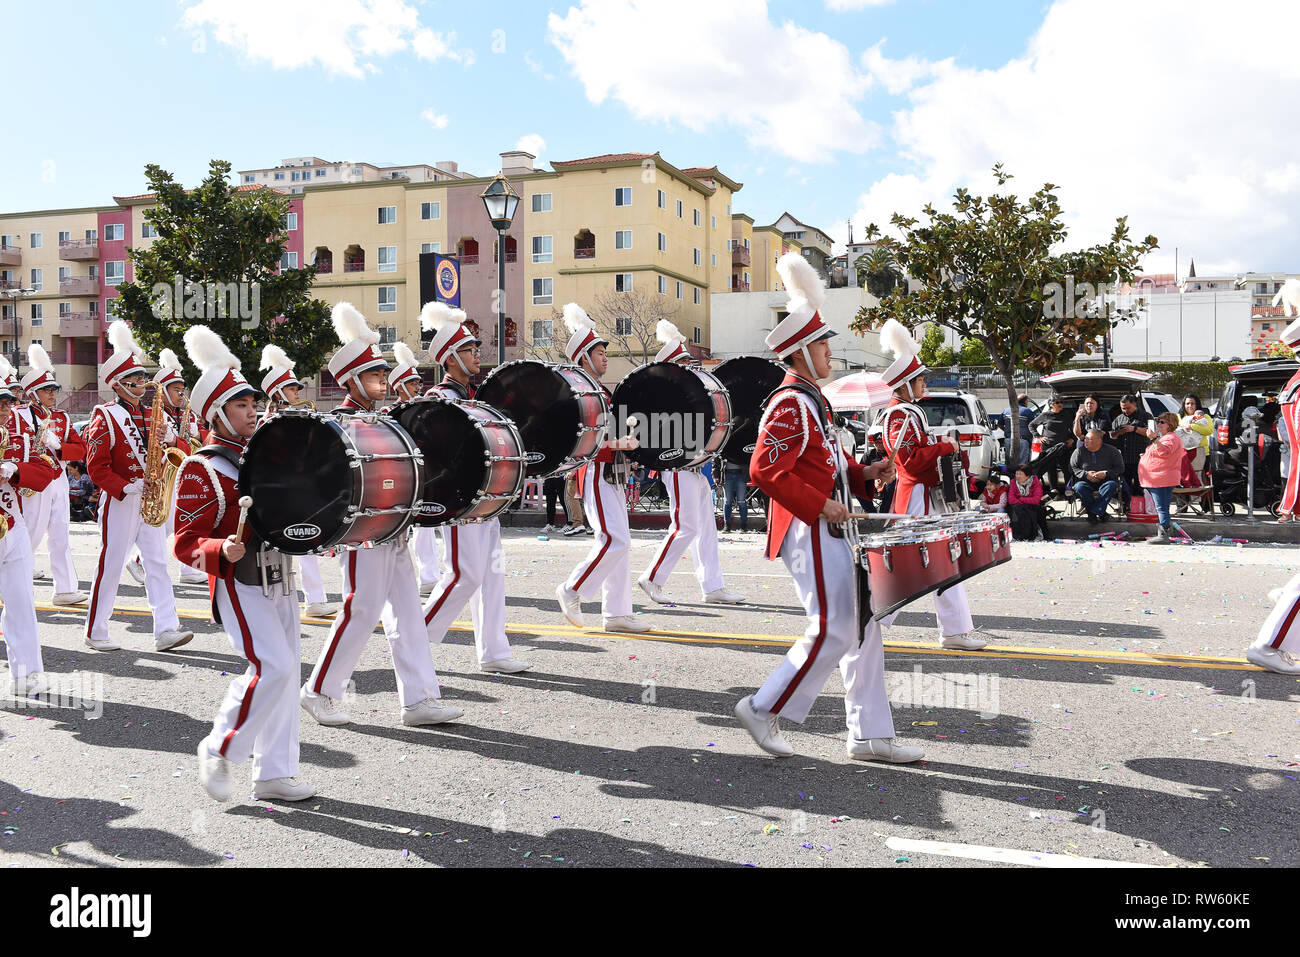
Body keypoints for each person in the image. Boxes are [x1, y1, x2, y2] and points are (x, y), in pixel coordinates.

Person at [734, 252, 920, 763]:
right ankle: (763, 706)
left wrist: (865, 474)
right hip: (809, 529)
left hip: (827, 526)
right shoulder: (791, 401)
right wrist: (823, 507)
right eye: (822, 345)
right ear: (799, 352)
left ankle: (869, 735)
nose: (830, 353)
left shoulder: (813, 400)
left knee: (863, 625)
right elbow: (764, 472)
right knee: (837, 627)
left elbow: (826, 466)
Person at [175, 326, 314, 803]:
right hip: (239, 581)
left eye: (255, 403)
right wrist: (217, 552)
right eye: (241, 405)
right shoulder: (202, 467)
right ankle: (220, 747)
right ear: (216, 412)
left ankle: (275, 772)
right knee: (271, 666)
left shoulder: (267, 456)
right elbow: (184, 543)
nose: (253, 411)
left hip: (281, 576)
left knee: (287, 671)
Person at [301, 302, 458, 728]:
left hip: (395, 526)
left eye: (382, 374)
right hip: (363, 528)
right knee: (362, 607)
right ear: (351, 380)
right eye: (374, 375)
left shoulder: (384, 419)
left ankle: (419, 699)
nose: (383, 382)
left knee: (407, 610)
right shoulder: (338, 423)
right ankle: (319, 690)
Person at [419, 301, 531, 673]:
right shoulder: (437, 399)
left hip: (486, 499)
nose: (476, 355)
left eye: (475, 348)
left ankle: (494, 652)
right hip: (460, 502)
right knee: (464, 575)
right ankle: (414, 642)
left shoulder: (475, 398)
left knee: (491, 576)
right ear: (450, 358)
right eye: (468, 350)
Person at [875, 318, 987, 651]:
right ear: (905, 383)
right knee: (907, 567)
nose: (924, 383)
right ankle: (869, 623)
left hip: (927, 498)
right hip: (916, 500)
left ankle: (953, 630)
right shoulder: (899, 415)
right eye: (919, 379)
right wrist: (945, 446)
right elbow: (909, 462)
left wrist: (945, 448)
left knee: (942, 561)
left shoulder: (908, 412)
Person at [82, 321, 194, 653]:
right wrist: (127, 487)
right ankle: (96, 630)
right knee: (112, 563)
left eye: (144, 379)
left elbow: (182, 454)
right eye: (136, 380)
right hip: (122, 500)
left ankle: (166, 629)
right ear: (119, 385)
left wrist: (171, 438)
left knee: (158, 561)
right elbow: (95, 466)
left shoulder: (154, 415)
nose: (144, 385)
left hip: (153, 498)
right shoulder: (105, 415)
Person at [555, 302, 650, 634]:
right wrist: (617, 444)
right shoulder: (579, 391)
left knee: (621, 542)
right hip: (596, 471)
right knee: (614, 540)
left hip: (612, 472)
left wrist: (628, 442)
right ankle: (571, 589)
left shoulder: (599, 391)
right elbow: (579, 437)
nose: (604, 357)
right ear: (583, 357)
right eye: (598, 352)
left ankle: (617, 613)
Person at [638, 319, 745, 607]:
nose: (691, 366)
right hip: (676, 467)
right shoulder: (662, 396)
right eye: (684, 361)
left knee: (706, 528)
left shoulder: (688, 394)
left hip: (695, 467)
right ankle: (652, 577)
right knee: (685, 526)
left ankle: (712, 586)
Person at [258, 343, 341, 618]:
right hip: (277, 494)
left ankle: (314, 599)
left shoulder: (298, 416)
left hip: (298, 490)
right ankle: (283, 602)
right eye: (292, 389)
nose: (297, 393)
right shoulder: (268, 421)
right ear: (279, 393)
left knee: (307, 545)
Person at [0, 371, 64, 696]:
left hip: (12, 524)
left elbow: (46, 470)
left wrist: (16, 470)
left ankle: (26, 675)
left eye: (7, 403)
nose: (5, 411)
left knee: (22, 602)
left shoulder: (18, 433)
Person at [18, 343, 88, 606]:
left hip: (58, 478)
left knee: (61, 533)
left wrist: (59, 446)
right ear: (33, 393)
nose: (52, 394)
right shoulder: (18, 415)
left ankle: (66, 588)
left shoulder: (62, 417)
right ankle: (12, 582)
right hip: (34, 480)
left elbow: (79, 449)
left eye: (54, 389)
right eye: (47, 390)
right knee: (31, 534)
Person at [385, 341, 441, 596]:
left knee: (426, 526)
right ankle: (398, 581)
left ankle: (429, 576)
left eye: (419, 383)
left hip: (425, 475)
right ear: (398, 387)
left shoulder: (423, 410)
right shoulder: (388, 412)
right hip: (400, 478)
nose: (418, 388)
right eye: (412, 384)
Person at [1138, 412, 1185, 545]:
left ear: (1170, 424)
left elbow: (1164, 452)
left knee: (1162, 507)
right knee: (1162, 507)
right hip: (1157, 478)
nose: (1158, 424)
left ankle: (1163, 534)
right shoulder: (1165, 437)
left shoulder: (1171, 438)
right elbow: (1161, 453)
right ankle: (1164, 532)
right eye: (1158, 421)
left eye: (1162, 422)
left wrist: (1153, 440)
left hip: (1162, 479)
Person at [1069, 428, 1125, 523]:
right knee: (1079, 487)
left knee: (1112, 485)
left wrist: (1105, 473)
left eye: (1089, 439)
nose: (1085, 441)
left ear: (1099, 440)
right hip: (1085, 481)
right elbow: (1072, 468)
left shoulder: (1112, 451)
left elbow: (1120, 468)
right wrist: (1086, 474)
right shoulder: (1079, 451)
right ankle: (1101, 512)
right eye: (1085, 438)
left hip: (1106, 480)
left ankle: (1093, 513)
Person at [1109, 394, 1153, 509]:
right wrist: (1118, 433)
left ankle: (1140, 508)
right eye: (1123, 408)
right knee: (1125, 486)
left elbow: (1152, 433)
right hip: (1124, 459)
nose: (1125, 411)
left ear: (1135, 404)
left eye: (1128, 408)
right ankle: (1126, 506)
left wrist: (1134, 429)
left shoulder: (1146, 416)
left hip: (1141, 458)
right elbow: (1112, 435)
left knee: (1140, 486)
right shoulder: (1119, 418)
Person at [1030, 395, 1073, 493]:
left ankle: (1068, 489)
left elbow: (1073, 428)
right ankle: (1053, 489)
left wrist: (1072, 439)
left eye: (1061, 402)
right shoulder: (1045, 415)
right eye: (1057, 402)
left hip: (1063, 446)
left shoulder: (1066, 414)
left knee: (1066, 468)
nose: (1060, 404)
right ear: (1051, 405)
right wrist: (1038, 436)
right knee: (1050, 468)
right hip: (1048, 446)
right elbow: (1031, 425)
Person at [1007, 466, 1048, 541]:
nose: (1017, 476)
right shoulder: (1013, 482)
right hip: (1018, 507)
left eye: (1020, 474)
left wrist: (1021, 499)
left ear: (1027, 476)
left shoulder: (1035, 482)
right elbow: (1011, 499)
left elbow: (1036, 500)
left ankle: (1032, 534)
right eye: (1016, 474)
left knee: (1037, 511)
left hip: (1032, 507)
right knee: (1016, 509)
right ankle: (1019, 534)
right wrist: (1024, 502)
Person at [1178, 393, 1213, 475]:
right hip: (1183, 453)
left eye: (1192, 403)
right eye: (1187, 403)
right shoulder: (1178, 417)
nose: (1190, 406)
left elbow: (1209, 430)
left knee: (1200, 478)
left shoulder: (1205, 417)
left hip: (1201, 453)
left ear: (1197, 405)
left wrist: (1192, 426)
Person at [1002, 393, 1034, 466]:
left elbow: (1000, 424)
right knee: (1022, 465)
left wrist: (1009, 432)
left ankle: (1012, 476)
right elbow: (1033, 425)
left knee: (1009, 464)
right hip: (1022, 441)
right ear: (1026, 401)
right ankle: (1020, 477)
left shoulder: (1006, 411)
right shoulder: (1027, 411)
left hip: (1008, 440)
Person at [722, 456, 750, 532]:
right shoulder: (723, 445)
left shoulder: (740, 444)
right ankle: (727, 525)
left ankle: (744, 526)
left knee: (741, 501)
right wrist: (716, 475)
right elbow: (716, 459)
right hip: (727, 474)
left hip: (741, 474)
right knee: (727, 501)